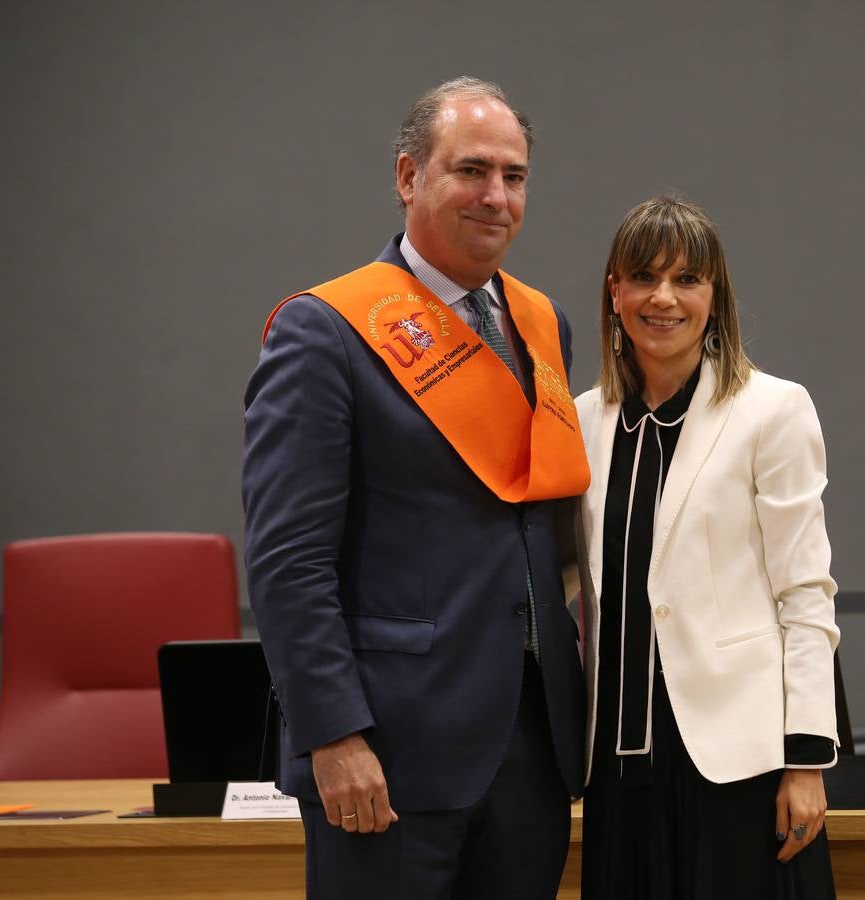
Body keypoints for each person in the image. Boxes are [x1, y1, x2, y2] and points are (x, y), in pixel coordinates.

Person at [242, 76, 590, 899]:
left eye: (514, 176)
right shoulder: (324, 331)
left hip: (531, 744)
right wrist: (334, 736)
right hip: (389, 751)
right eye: (470, 171)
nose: (496, 196)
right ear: (408, 179)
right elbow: (289, 561)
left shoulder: (544, 324)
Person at [570, 195, 841, 899]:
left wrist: (806, 761)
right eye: (644, 277)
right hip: (617, 768)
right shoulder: (577, 421)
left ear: (715, 298)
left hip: (735, 765)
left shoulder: (772, 410)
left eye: (687, 279)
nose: (664, 298)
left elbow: (805, 593)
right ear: (614, 292)